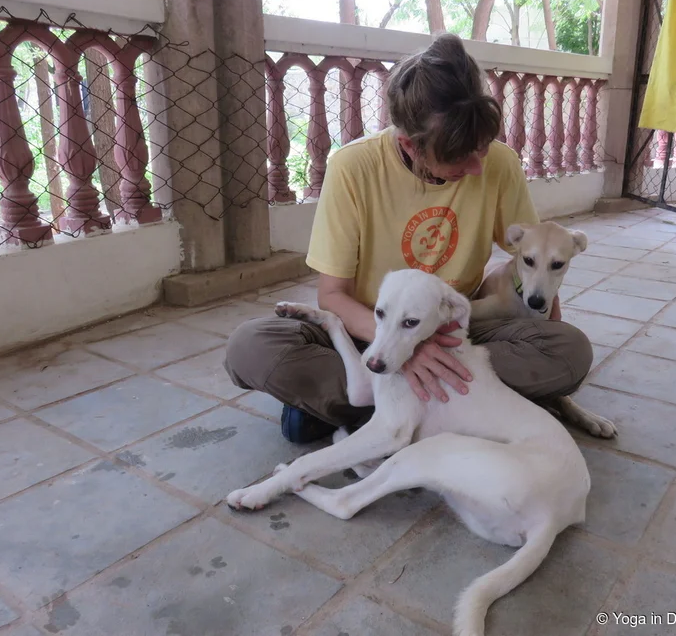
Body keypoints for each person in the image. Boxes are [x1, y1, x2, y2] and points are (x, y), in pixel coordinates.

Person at [224, 33, 593, 443]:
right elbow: (332, 297)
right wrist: (408, 351)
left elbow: (532, 257)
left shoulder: (500, 164)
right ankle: (423, 409)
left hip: (455, 332)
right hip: (371, 334)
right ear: (409, 145)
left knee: (570, 350)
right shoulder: (353, 168)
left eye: (482, 147)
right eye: (458, 157)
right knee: (251, 346)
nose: (475, 167)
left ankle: (363, 407)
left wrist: (548, 325)